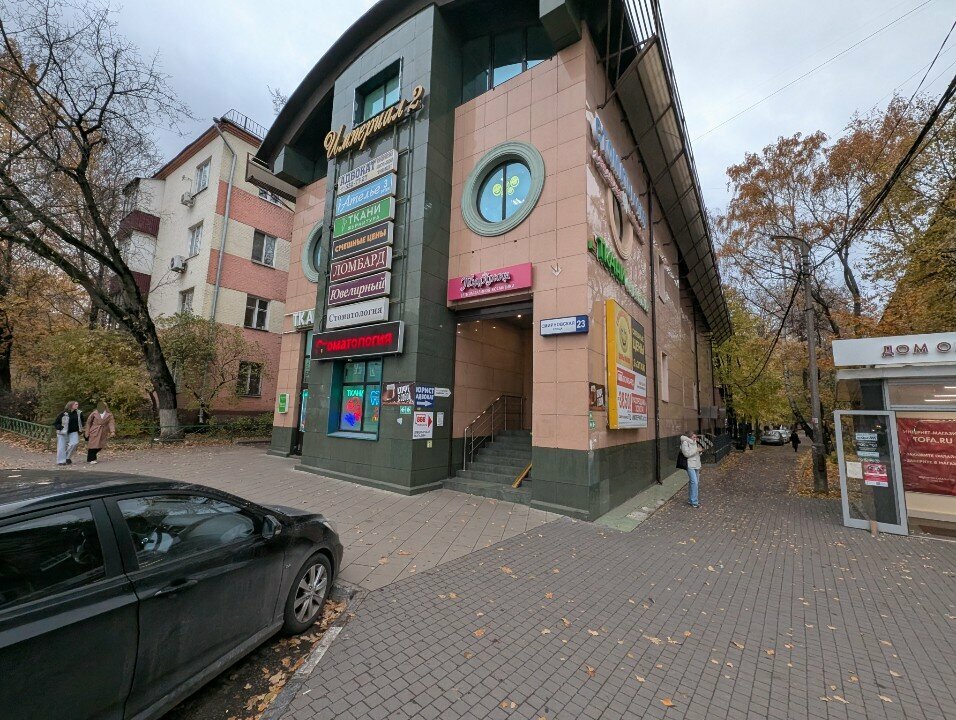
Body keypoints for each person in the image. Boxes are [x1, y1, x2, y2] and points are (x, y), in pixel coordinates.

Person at [678, 431, 703, 508]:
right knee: (694, 482)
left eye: (696, 437)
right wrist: (696, 450)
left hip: (696, 464)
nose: (695, 438)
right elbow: (687, 454)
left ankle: (691, 499)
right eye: (694, 437)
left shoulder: (694, 442)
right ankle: (694, 501)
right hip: (690, 465)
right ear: (689, 437)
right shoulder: (685, 443)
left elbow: (695, 453)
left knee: (695, 482)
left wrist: (700, 452)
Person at [53, 400, 82, 465]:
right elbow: (56, 423)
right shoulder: (63, 413)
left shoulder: (78, 413)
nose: (77, 405)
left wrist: (80, 428)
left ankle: (67, 457)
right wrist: (59, 427)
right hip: (62, 432)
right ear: (71, 405)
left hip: (73, 431)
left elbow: (81, 422)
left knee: (74, 443)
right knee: (61, 446)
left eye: (77, 404)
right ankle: (61, 461)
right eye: (75, 404)